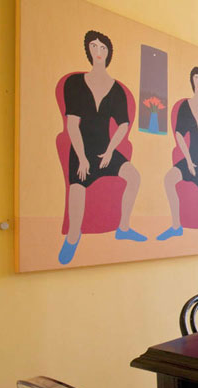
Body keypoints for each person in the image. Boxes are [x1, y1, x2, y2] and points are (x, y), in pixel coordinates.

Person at [58, 30, 146, 265]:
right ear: (88, 50)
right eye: (94, 46)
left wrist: (109, 151)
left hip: (104, 149)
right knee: (77, 184)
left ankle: (124, 227)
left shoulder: (116, 89)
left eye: (102, 47)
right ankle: (73, 237)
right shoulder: (75, 84)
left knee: (134, 177)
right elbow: (72, 125)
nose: (98, 51)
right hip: (81, 148)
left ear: (109, 53)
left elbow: (123, 124)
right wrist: (83, 157)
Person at [157, 67, 198, 249]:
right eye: (196, 78)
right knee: (169, 179)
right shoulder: (185, 106)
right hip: (189, 158)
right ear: (192, 81)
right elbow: (178, 135)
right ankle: (176, 226)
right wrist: (188, 161)